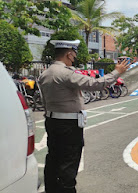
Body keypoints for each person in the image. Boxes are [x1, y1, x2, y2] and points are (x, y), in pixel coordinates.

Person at [38, 40, 130, 193]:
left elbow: (44, 101)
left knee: (53, 160)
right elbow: (95, 84)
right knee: (69, 163)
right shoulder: (65, 73)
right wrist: (117, 72)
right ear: (69, 53)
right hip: (69, 126)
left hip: (51, 121)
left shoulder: (45, 73)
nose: (75, 56)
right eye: (74, 53)